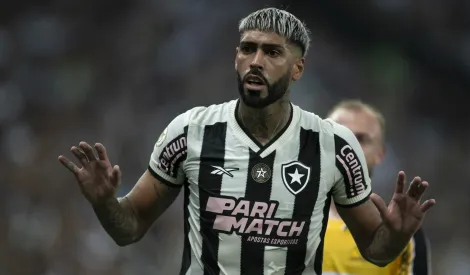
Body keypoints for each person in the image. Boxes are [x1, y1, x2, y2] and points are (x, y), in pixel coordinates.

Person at [58, 8, 435, 275]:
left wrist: (398, 235)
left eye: (272, 52)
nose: (256, 60)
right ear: (235, 56)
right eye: (247, 48)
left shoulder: (333, 146)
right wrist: (106, 204)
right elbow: (130, 228)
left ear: (297, 68)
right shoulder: (190, 131)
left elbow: (375, 250)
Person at [321, 100, 432, 275]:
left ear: (380, 154)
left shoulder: (400, 234)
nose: (348, 147)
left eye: (361, 139)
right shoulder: (279, 217)